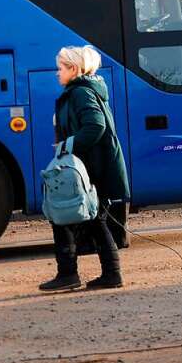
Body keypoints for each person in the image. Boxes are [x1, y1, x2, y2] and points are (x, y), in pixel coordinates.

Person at [39, 46, 130, 292]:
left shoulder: (81, 93)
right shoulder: (82, 90)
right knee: (92, 219)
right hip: (89, 165)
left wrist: (66, 145)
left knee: (66, 215)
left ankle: (70, 274)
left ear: (74, 69)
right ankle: (108, 274)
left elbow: (95, 126)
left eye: (61, 68)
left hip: (90, 167)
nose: (57, 73)